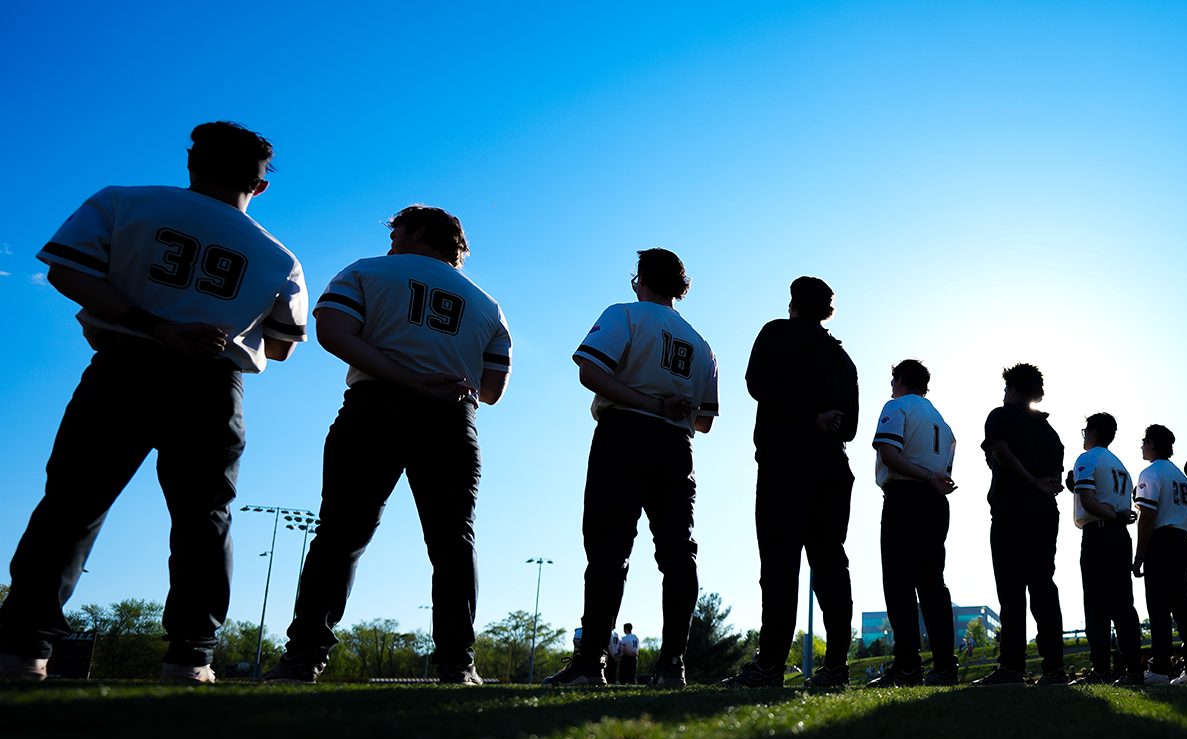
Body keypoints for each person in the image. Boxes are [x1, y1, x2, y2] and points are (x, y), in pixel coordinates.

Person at [0, 123, 307, 684]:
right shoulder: (278, 255)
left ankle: (22, 649)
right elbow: (284, 346)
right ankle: (191, 658)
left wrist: (155, 323)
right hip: (212, 383)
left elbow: (66, 268)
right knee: (203, 519)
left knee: (72, 503)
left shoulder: (124, 201)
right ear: (260, 185)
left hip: (127, 363)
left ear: (192, 164)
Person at [264, 206, 509, 685]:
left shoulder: (366, 270)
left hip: (376, 406)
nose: (390, 239)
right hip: (452, 417)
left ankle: (303, 658)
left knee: (340, 534)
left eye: (397, 230)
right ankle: (458, 663)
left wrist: (408, 377)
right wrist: (439, 378)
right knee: (453, 541)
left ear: (417, 231)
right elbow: (493, 390)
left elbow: (334, 333)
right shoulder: (487, 304)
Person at [544, 248, 719, 688]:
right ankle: (671, 665)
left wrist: (649, 401)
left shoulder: (625, 314)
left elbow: (590, 371)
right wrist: (671, 405)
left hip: (624, 434)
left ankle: (589, 664)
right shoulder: (701, 343)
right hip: (677, 445)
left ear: (639, 278)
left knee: (608, 548)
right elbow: (705, 421)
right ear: (683, 287)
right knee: (678, 551)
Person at [724, 277, 858, 690]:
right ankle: (835, 667)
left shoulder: (777, 333)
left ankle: (769, 666)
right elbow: (849, 428)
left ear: (792, 304)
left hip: (787, 462)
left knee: (781, 562)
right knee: (831, 562)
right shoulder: (843, 359)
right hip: (834, 465)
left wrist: (805, 418)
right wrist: (822, 420)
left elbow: (757, 385)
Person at [868, 360, 958, 687]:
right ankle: (946, 666)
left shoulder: (898, 406)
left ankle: (907, 665)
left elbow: (890, 454)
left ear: (901, 379)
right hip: (936, 502)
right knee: (933, 584)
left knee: (900, 581)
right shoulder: (943, 424)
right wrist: (931, 476)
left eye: (894, 379)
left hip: (906, 495)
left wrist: (923, 475)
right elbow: (943, 470)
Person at [976, 364, 1067, 686]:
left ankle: (1012, 669)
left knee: (1012, 591)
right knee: (1043, 586)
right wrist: (1039, 482)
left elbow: (999, 452)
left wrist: (1027, 479)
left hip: (1013, 508)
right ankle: (1054, 669)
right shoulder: (1050, 432)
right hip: (1045, 512)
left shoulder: (1000, 416)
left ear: (1013, 389)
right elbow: (1054, 479)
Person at [1069, 413, 1143, 685]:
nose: (1084, 435)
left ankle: (1100, 670)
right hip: (1121, 537)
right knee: (1124, 607)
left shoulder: (1087, 458)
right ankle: (1134, 671)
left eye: (1086, 430)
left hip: (1099, 533)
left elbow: (1088, 501)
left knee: (1097, 606)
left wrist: (1113, 516)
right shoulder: (1120, 465)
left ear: (1095, 431)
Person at [1132, 425, 1187, 685]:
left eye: (1143, 441)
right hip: (1183, 539)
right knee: (1184, 607)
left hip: (1162, 541)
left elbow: (1148, 515)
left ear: (1152, 443)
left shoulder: (1151, 472)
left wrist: (1139, 555)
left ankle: (1160, 668)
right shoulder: (1181, 478)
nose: (1141, 446)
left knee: (1159, 607)